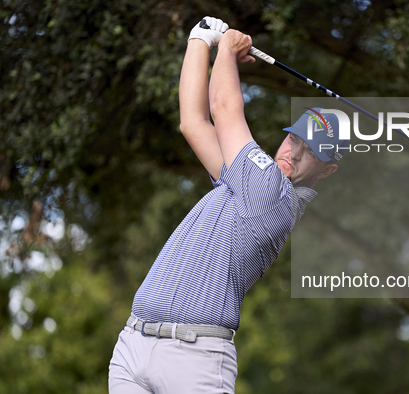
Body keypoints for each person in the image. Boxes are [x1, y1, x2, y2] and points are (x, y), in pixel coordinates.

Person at [108, 17, 349, 394]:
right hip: (134, 344)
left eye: (311, 152)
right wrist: (199, 39)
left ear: (327, 169)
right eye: (294, 140)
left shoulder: (271, 194)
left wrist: (229, 49)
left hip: (195, 359)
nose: (294, 153)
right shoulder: (240, 178)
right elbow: (193, 121)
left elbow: (222, 106)